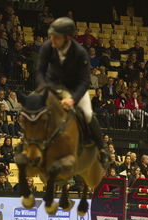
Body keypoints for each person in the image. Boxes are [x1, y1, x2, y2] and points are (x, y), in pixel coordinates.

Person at [36, 17, 108, 168]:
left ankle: (102, 149)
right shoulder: (48, 48)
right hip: (56, 88)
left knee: (88, 114)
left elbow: (85, 81)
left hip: (77, 91)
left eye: (56, 37)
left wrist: (73, 99)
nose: (52, 40)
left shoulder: (80, 53)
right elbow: (40, 71)